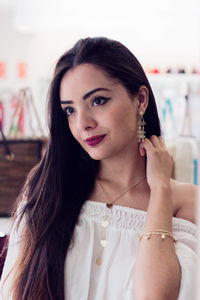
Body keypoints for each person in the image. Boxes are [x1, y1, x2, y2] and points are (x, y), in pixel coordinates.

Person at [0, 36, 198, 300]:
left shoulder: (187, 202)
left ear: (140, 100)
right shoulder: (49, 189)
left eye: (98, 101)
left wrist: (161, 188)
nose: (83, 123)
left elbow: (156, 295)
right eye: (69, 111)